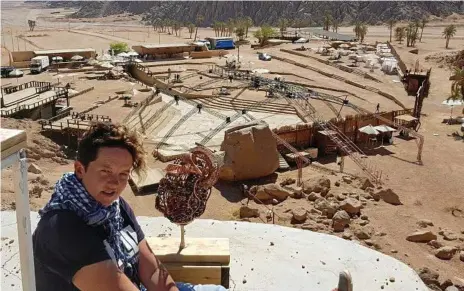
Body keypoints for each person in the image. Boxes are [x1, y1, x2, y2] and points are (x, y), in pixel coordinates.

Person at [33, 122, 226, 291]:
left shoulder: (115, 208)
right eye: (105, 171)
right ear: (80, 170)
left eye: (123, 174)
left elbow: (152, 272)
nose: (114, 183)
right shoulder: (63, 229)